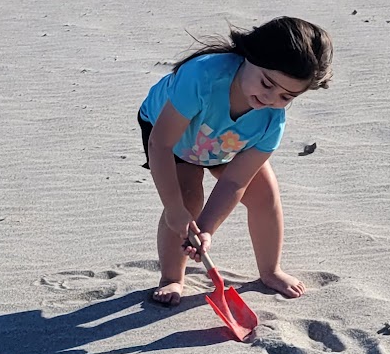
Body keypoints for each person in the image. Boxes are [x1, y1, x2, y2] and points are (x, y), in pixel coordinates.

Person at [137, 17, 333, 305]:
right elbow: (160, 144)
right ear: (248, 56)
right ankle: (171, 278)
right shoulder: (202, 76)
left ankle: (271, 270)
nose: (270, 98)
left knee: (265, 195)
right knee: (187, 199)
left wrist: (205, 229)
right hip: (173, 138)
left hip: (226, 142)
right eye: (267, 83)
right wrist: (175, 210)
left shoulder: (271, 123)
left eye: (286, 96)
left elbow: (235, 181)